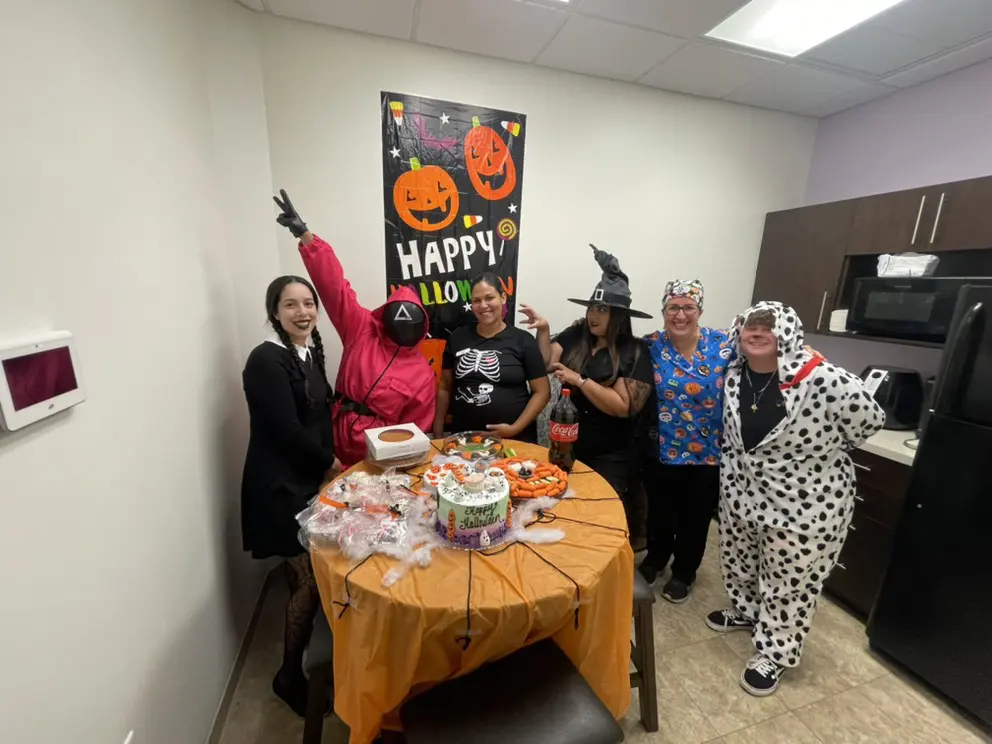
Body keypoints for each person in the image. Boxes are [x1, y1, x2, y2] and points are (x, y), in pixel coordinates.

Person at [706, 301, 884, 697]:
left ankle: (775, 651)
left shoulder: (822, 378)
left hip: (806, 503)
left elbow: (870, 419)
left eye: (768, 326)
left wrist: (819, 454)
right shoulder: (734, 374)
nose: (757, 331)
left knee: (789, 582)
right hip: (742, 493)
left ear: (787, 333)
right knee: (740, 559)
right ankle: (746, 611)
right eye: (750, 324)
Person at [273, 190, 436, 466]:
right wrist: (306, 237)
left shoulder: (422, 375)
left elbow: (417, 431)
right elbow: (333, 285)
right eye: (398, 318)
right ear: (385, 316)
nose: (403, 326)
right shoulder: (361, 327)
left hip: (379, 456)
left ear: (422, 326)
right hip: (332, 438)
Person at [241, 275, 337, 716]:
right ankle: (288, 675)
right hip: (278, 487)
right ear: (274, 312)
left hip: (305, 480)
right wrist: (330, 466)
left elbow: (319, 416)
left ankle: (304, 661)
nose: (302, 312)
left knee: (301, 576)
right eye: (290, 305)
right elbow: (287, 430)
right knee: (312, 578)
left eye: (308, 303)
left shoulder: (307, 351)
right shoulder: (265, 360)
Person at [525, 245, 654, 531]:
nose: (594, 315)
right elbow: (547, 363)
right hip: (566, 445)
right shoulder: (576, 334)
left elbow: (623, 407)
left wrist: (580, 380)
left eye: (603, 309)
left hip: (611, 453)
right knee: (562, 512)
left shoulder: (634, 351)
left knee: (599, 518)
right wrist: (544, 330)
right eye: (592, 307)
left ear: (619, 315)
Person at [637, 280, 731, 604]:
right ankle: (655, 558)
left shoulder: (723, 344)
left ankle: (684, 572)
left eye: (688, 307)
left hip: (708, 452)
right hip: (661, 448)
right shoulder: (650, 345)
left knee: (695, 516)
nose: (680, 314)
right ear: (663, 311)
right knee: (660, 510)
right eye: (673, 307)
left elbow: (767, 349)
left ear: (700, 311)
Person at [434, 273, 550, 442]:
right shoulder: (457, 338)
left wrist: (514, 429)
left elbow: (543, 391)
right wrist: (438, 433)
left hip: (514, 440)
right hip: (465, 439)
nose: (483, 305)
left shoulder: (523, 340)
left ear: (503, 298)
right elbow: (445, 387)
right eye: (476, 300)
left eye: (489, 298)